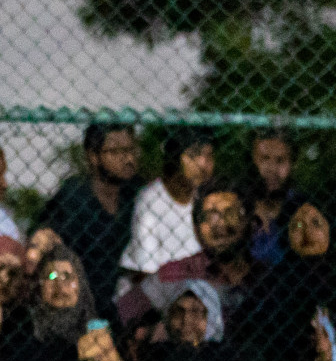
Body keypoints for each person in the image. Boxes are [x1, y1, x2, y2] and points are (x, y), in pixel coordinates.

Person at [0, 243, 125, 361]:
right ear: (39, 283)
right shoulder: (21, 319)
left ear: (79, 282)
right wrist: (77, 354)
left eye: (67, 276)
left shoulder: (100, 318)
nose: (60, 286)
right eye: (51, 276)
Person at [120, 179, 261, 337]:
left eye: (231, 214)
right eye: (210, 216)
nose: (220, 223)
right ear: (196, 228)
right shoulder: (176, 273)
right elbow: (123, 314)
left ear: (249, 223)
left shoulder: (267, 276)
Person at [242, 199, 333, 361]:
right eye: (297, 226)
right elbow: (255, 328)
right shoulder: (275, 279)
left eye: (315, 223)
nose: (307, 232)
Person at [34, 124, 140, 321]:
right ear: (93, 157)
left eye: (130, 150)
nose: (127, 159)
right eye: (115, 152)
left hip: (126, 304)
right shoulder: (74, 196)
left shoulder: (137, 193)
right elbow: (45, 236)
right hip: (79, 304)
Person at [119, 128, 214, 279]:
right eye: (194, 155)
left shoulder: (206, 197)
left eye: (209, 156)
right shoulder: (151, 199)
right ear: (175, 158)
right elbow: (145, 272)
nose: (203, 164)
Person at [245, 129, 303, 267]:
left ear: (293, 164)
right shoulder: (240, 205)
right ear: (253, 160)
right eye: (265, 159)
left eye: (280, 160)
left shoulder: (303, 207)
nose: (271, 168)